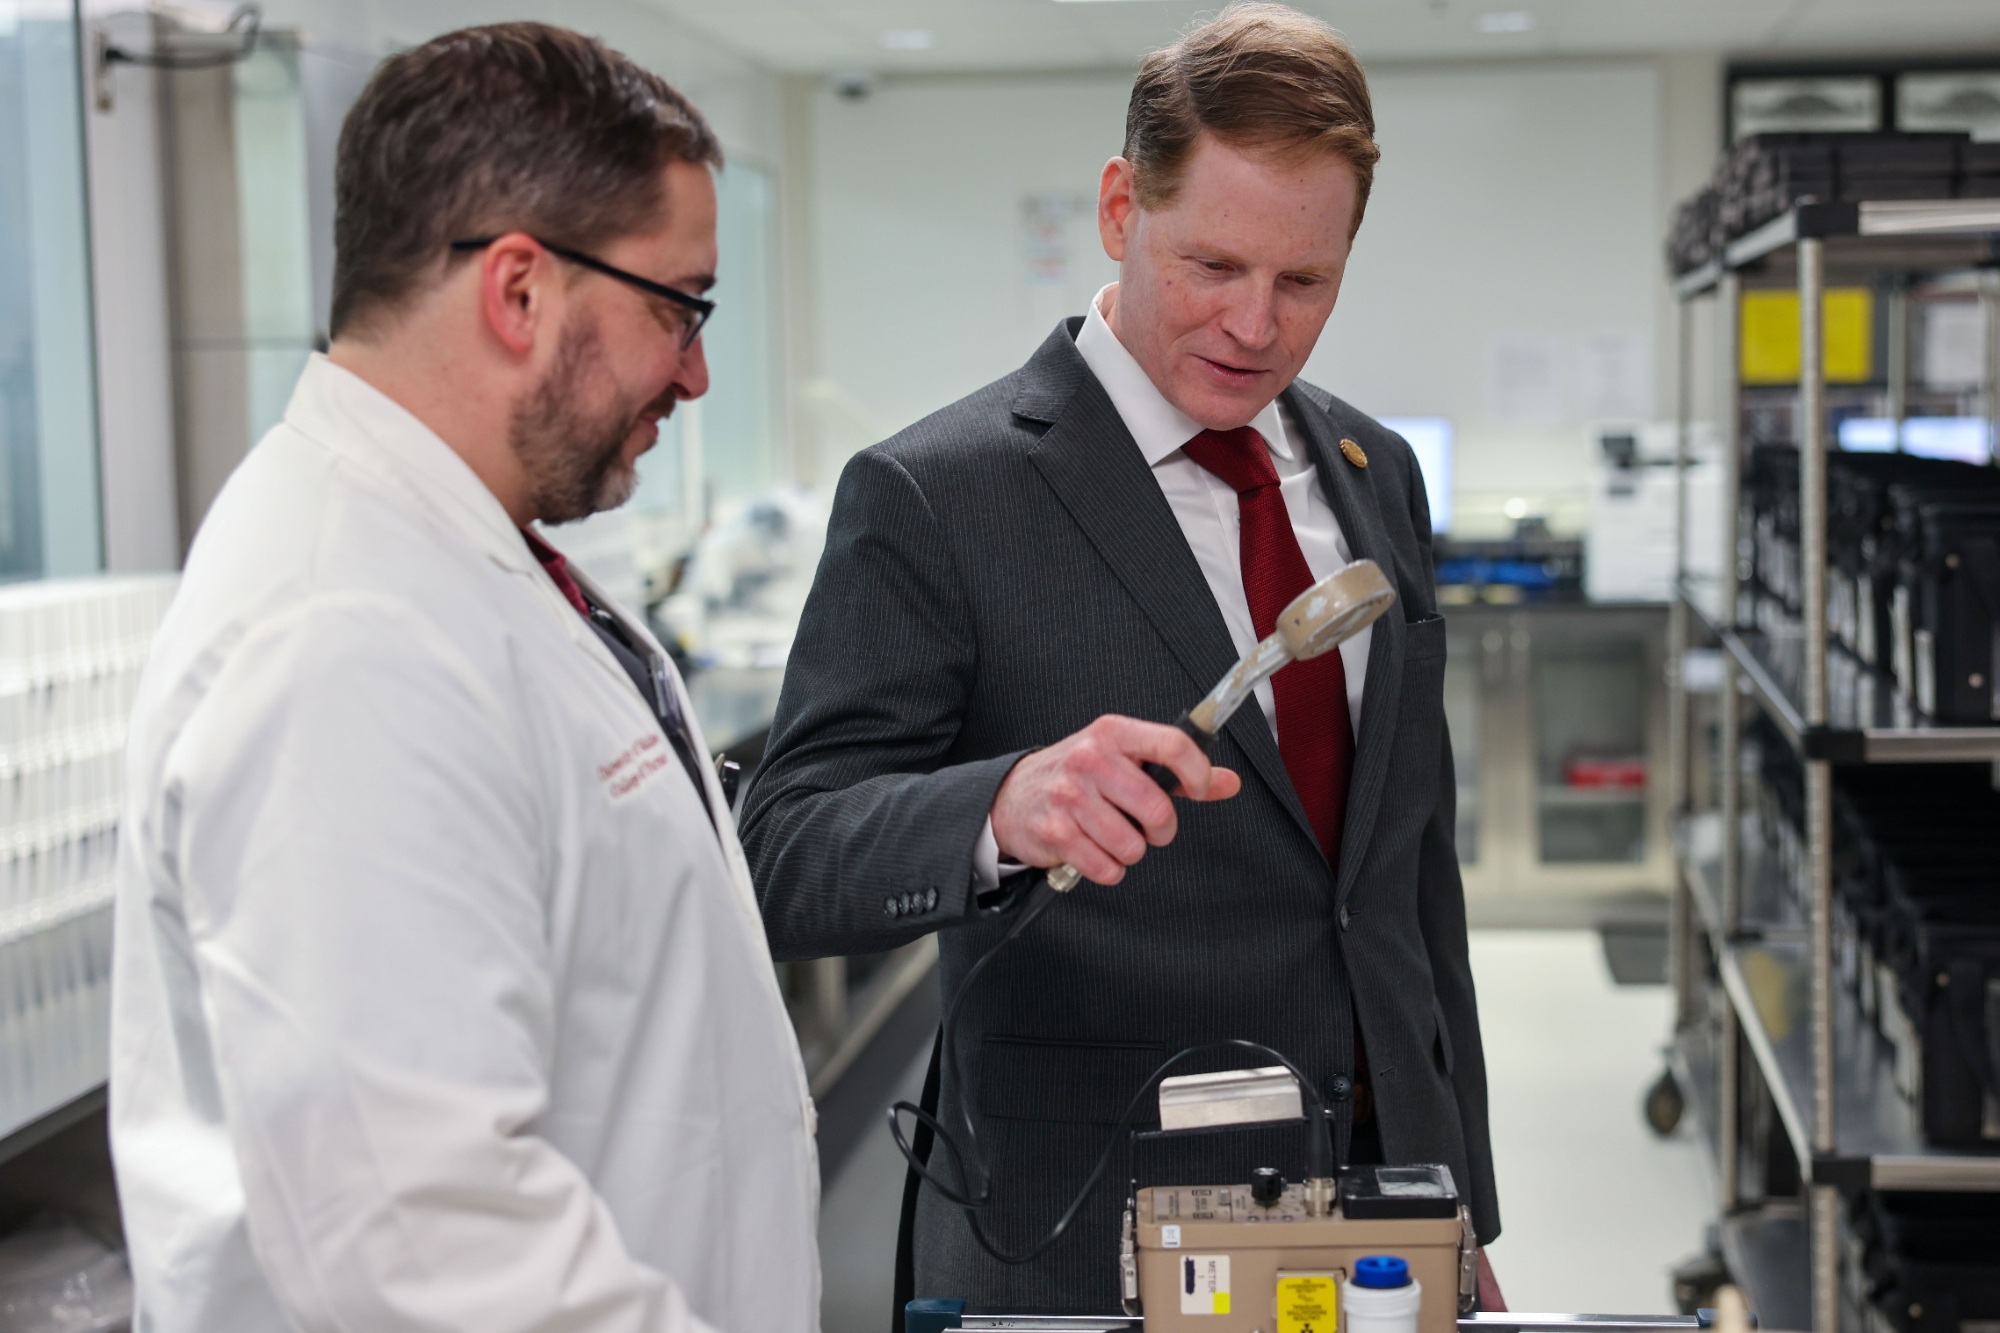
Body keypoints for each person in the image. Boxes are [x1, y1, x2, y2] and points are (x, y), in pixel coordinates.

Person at [742, 1, 1499, 1317]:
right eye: (1212, 265)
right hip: (1090, 1225)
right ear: (1116, 209)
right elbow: (787, 848)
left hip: (1371, 1216)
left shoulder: (1377, 475)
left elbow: (1408, 883)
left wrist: (1460, 1199)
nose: (1255, 325)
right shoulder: (938, 494)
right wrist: (997, 807)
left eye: (1303, 282)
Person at [108, 24, 817, 1332]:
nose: (698, 370)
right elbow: (419, 1235)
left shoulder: (461, 556)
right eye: (679, 305)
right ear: (519, 289)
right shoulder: (343, 633)